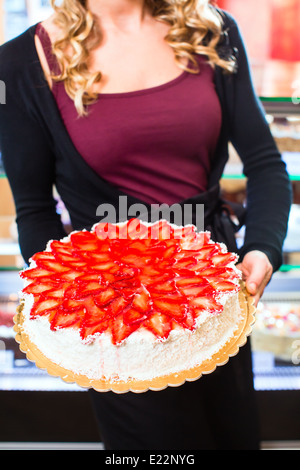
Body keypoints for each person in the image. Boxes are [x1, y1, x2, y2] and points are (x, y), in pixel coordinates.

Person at [0, 0, 291, 450]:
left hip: (214, 289)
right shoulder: (20, 60)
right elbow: (35, 210)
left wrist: (263, 248)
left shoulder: (211, 28)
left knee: (234, 437)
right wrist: (73, 301)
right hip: (112, 313)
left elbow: (266, 164)